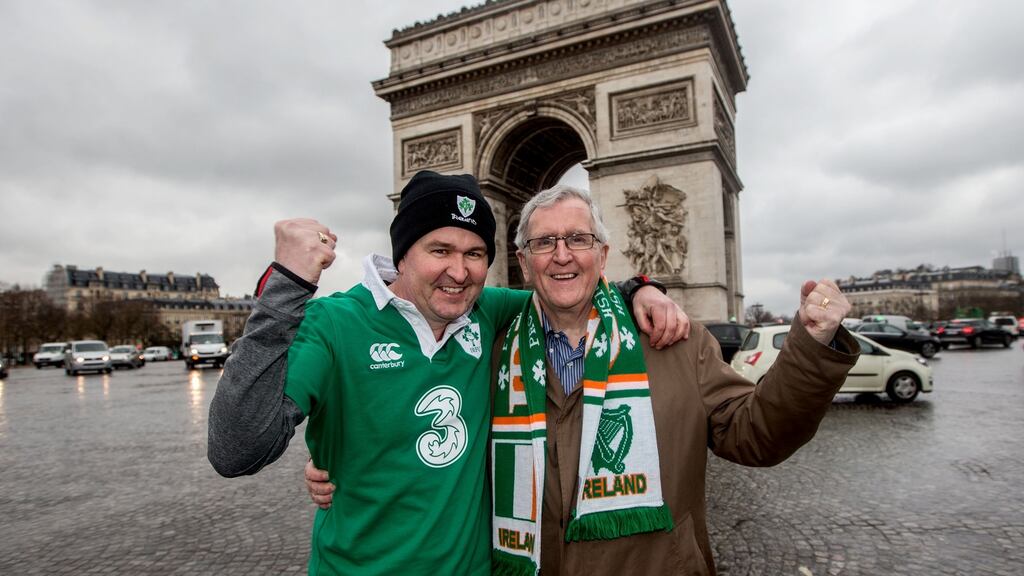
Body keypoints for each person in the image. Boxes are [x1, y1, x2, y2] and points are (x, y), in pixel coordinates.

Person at [307, 184, 860, 575]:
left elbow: (757, 436)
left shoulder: (674, 340)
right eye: (544, 243)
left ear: (604, 253)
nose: (562, 256)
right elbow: (421, 413)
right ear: (523, 262)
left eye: (577, 240)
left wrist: (810, 348)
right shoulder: (487, 344)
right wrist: (339, 460)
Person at [207, 170, 689, 575]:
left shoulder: (487, 310)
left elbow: (566, 288)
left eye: (475, 254)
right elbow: (236, 450)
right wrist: (287, 286)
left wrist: (641, 288)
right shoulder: (332, 324)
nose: (459, 272)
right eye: (440, 250)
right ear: (403, 252)